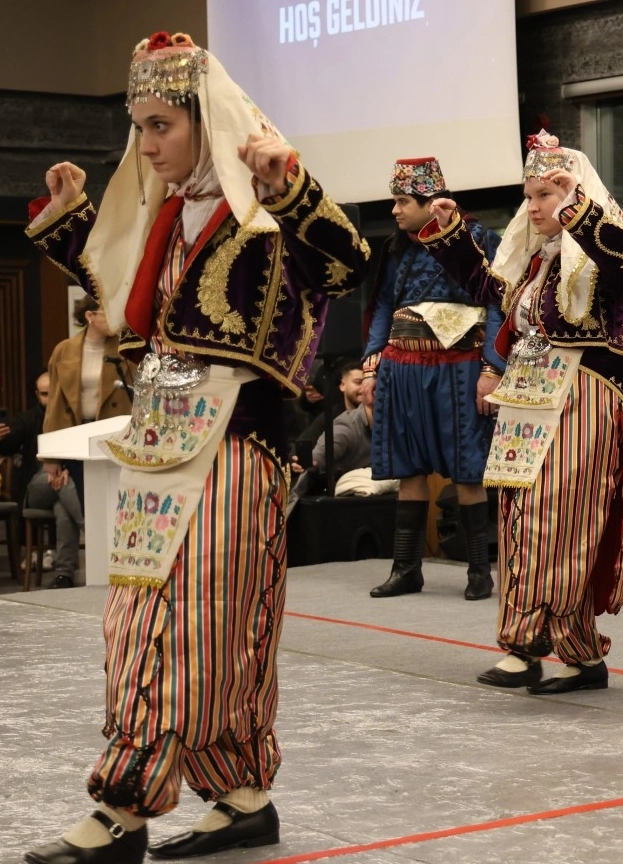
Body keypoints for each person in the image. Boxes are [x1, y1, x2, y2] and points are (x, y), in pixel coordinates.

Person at [23, 30, 368, 864]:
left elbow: (348, 263)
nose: (146, 145)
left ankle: (123, 809)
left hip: (234, 452)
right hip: (162, 447)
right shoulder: (167, 219)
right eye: (139, 126)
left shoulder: (264, 218)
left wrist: (292, 187)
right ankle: (243, 795)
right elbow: (120, 296)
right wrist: (72, 217)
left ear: (206, 124)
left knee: (194, 625)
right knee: (158, 619)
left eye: (161, 126)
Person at [420, 131, 623, 693]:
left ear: (575, 193)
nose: (533, 207)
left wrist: (576, 206)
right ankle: (535, 645)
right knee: (521, 514)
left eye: (544, 195)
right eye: (529, 197)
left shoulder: (605, 248)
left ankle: (567, 650)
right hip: (529, 394)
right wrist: (452, 233)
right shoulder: (538, 261)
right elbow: (489, 287)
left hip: (586, 393)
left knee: (565, 518)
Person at [361, 156, 504, 601]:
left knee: (466, 470)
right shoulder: (396, 249)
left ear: (431, 202)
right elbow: (383, 306)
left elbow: (499, 304)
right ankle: (406, 569)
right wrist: (371, 365)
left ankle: (479, 571)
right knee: (407, 467)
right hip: (402, 368)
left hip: (459, 368)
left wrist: (492, 368)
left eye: (403, 201)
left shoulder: (478, 239)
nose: (395, 210)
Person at [38, 295, 136, 588]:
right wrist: (51, 456)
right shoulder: (65, 350)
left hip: (115, 432)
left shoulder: (124, 347)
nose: (114, 319)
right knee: (79, 497)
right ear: (90, 316)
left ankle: (114, 564)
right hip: (77, 435)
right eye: (107, 313)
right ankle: (99, 563)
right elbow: (56, 404)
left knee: (114, 499)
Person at [0, 372, 51, 513]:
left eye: (53, 393)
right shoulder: (27, 419)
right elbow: (10, 446)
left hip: (66, 477)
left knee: (62, 511)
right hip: (36, 480)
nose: (50, 399)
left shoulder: (73, 417)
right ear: (37, 395)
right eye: (45, 394)